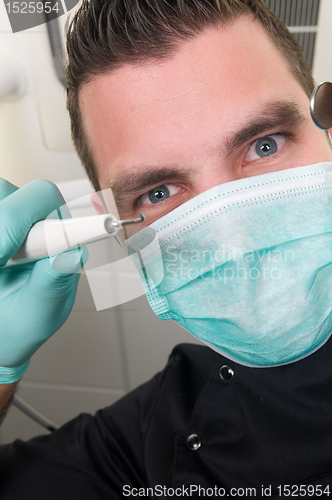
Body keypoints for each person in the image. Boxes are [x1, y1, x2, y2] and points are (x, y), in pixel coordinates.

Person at [1, 0, 332, 498]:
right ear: (122, 233)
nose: (234, 241)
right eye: (158, 193)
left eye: (265, 145)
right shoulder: (156, 429)